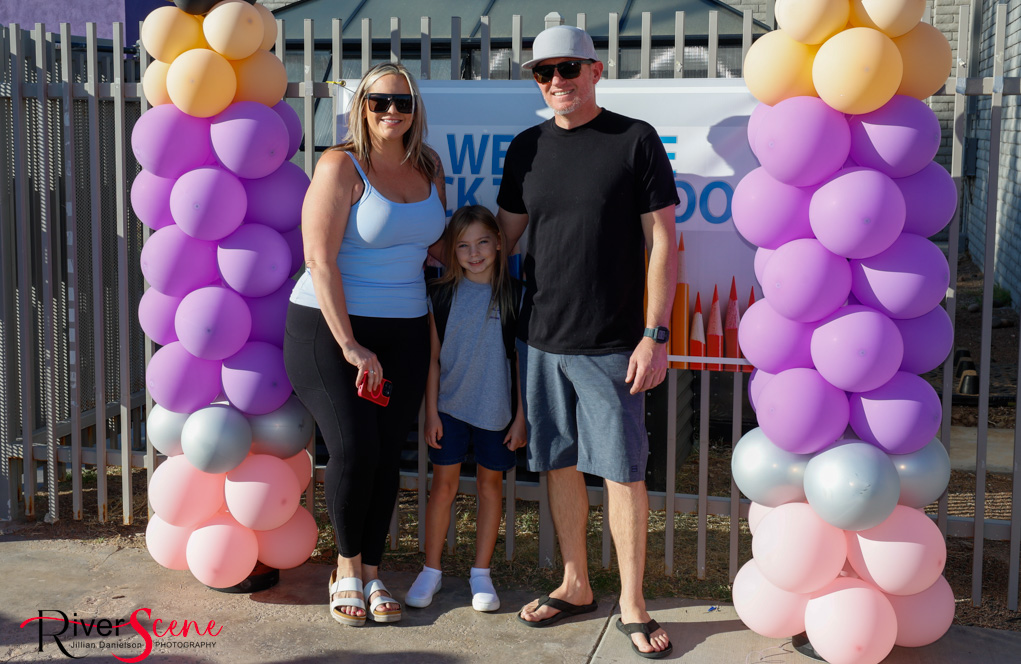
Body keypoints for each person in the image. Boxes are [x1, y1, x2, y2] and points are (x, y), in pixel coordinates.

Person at [496, 25, 678, 659]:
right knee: (559, 463)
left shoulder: (635, 140)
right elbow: (503, 239)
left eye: (567, 68)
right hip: (541, 340)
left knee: (624, 473)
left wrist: (655, 335)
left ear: (596, 70)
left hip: (614, 342)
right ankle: (575, 583)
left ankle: (632, 601)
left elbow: (661, 245)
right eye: (542, 72)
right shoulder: (525, 148)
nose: (555, 82)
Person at [283, 62, 447, 627]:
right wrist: (350, 343)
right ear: (362, 107)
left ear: (415, 107)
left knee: (385, 456)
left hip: (402, 331)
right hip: (332, 332)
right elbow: (318, 259)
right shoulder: (340, 165)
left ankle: (373, 570)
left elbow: (433, 247)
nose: (392, 111)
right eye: (379, 102)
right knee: (353, 449)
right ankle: (346, 568)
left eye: (402, 101)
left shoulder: (429, 167)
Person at [404, 205, 527, 612]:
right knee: (443, 487)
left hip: (498, 413)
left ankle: (481, 574)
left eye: (483, 243)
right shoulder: (440, 294)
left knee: (491, 489)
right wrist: (433, 413)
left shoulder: (516, 293)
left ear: (498, 242)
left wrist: (522, 416)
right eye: (463, 246)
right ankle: (432, 570)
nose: (474, 254)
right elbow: (433, 360)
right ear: (451, 252)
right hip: (450, 409)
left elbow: (521, 362)